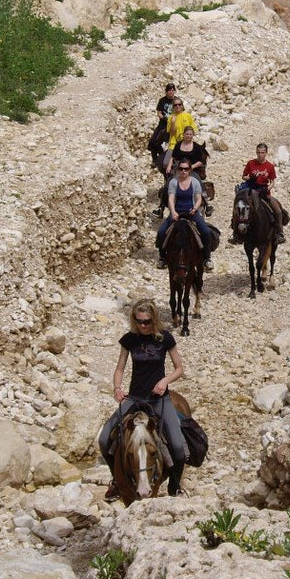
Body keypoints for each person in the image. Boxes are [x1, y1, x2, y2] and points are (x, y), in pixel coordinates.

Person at [98, 299, 189, 500]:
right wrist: (117, 388)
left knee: (177, 446)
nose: (143, 326)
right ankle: (116, 480)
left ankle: (175, 485)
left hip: (159, 399)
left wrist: (165, 381)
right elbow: (120, 368)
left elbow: (179, 368)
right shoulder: (129, 340)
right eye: (139, 322)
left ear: (154, 320)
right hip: (135, 398)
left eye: (147, 322)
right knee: (104, 439)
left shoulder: (165, 339)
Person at [156, 161, 213, 270]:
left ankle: (207, 258)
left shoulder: (195, 182)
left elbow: (198, 198)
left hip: (192, 212)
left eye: (186, 169)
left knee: (206, 231)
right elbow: (171, 198)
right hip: (177, 212)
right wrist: (173, 212)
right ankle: (162, 257)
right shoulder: (173, 182)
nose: (183, 171)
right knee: (161, 232)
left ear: (190, 170)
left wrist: (195, 208)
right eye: (181, 169)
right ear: (177, 170)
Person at [238, 142, 285, 244]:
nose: (260, 155)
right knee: (240, 206)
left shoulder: (269, 166)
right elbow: (243, 176)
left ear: (266, 153)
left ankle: (279, 232)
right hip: (251, 190)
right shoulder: (250, 163)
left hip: (263, 191)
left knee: (277, 210)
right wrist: (250, 177)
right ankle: (236, 231)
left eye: (262, 152)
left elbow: (272, 181)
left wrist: (268, 188)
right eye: (258, 152)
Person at [170, 127, 212, 215]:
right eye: (187, 134)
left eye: (190, 134)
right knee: (168, 184)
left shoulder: (196, 147)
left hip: (192, 171)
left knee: (198, 182)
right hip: (179, 170)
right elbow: (173, 157)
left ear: (192, 135)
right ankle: (161, 207)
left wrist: (191, 167)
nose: (188, 136)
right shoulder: (178, 145)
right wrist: (169, 166)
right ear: (183, 135)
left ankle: (207, 204)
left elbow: (201, 161)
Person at [161, 96, 197, 173]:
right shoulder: (171, 118)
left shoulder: (188, 116)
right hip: (174, 144)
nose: (177, 106)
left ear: (182, 105)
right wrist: (173, 123)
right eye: (175, 105)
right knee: (165, 163)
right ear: (173, 107)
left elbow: (193, 130)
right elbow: (171, 132)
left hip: (187, 143)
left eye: (179, 104)